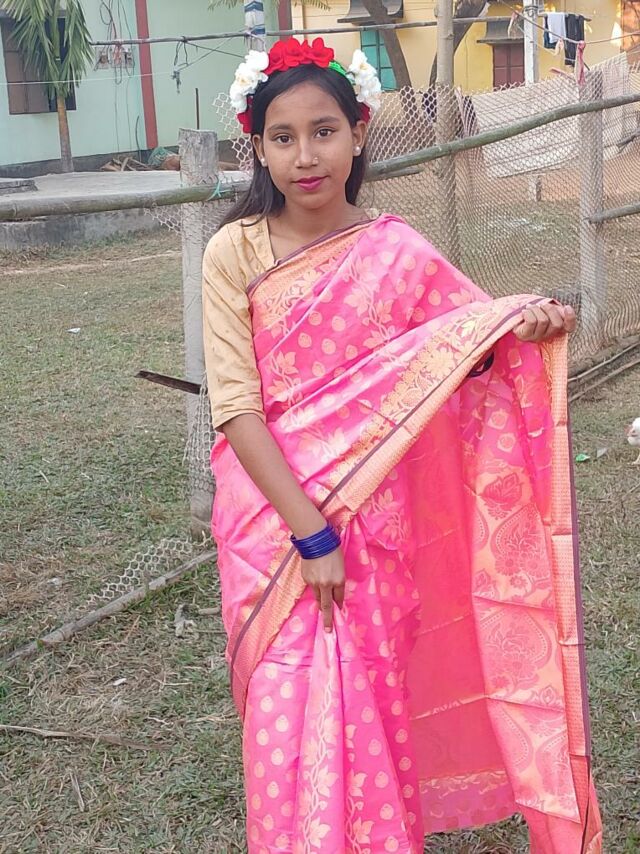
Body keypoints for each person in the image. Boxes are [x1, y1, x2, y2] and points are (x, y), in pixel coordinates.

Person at [202, 36, 602, 853]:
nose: (306, 156)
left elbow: (468, 345)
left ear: (358, 133)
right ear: (258, 147)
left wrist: (526, 325)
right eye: (284, 137)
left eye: (324, 131)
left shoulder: (396, 251)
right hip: (272, 530)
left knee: (371, 718)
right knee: (283, 718)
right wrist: (310, 534)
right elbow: (236, 408)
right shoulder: (232, 253)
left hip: (375, 527)